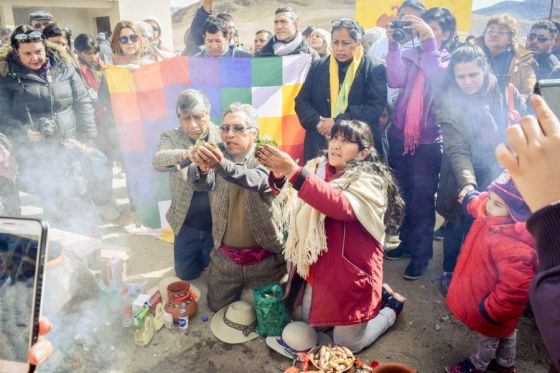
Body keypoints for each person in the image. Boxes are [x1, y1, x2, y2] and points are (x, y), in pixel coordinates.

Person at [256, 119, 406, 353]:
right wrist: (279, 173)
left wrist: (293, 172)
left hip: (352, 274)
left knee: (347, 345)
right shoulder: (318, 167)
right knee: (307, 324)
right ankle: (379, 299)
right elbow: (293, 197)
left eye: (346, 141)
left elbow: (339, 206)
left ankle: (390, 308)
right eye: (335, 137)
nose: (336, 144)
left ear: (363, 153)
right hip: (321, 270)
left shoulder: (370, 181)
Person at [436, 45, 527, 295]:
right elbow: (457, 150)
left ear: (485, 70)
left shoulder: (505, 92)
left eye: (473, 75)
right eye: (461, 76)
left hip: (500, 169)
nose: (467, 82)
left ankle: (483, 271)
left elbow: (525, 121)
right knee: (457, 221)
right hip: (461, 172)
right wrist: (468, 185)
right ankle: (449, 270)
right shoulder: (450, 104)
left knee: (495, 224)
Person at [186, 103, 286, 311]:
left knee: (271, 315)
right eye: (225, 128)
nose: (229, 134)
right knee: (215, 307)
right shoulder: (218, 154)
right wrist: (201, 169)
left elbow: (255, 179)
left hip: (265, 258)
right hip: (225, 258)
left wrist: (219, 165)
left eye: (238, 128)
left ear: (254, 133)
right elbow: (199, 183)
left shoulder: (268, 157)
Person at [383, 7, 456, 280]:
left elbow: (437, 78)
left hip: (427, 142)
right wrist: (393, 43)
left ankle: (422, 254)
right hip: (399, 135)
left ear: (446, 35)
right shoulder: (411, 54)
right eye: (425, 28)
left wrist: (428, 42)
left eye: (434, 30)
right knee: (402, 194)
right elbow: (394, 78)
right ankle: (405, 243)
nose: (427, 33)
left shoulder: (447, 59)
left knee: (423, 199)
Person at [0, 25, 97, 227]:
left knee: (79, 194)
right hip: (36, 153)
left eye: (38, 51)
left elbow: (83, 103)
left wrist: (88, 139)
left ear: (45, 47)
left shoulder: (64, 66)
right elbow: (3, 116)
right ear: (16, 51)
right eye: (27, 53)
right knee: (52, 198)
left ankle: (84, 240)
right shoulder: (5, 76)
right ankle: (60, 241)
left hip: (70, 143)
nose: (35, 58)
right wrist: (23, 130)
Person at [445, 172, 536, 373]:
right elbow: (482, 204)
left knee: (489, 337)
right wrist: (471, 197)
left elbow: (515, 289)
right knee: (508, 331)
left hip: (493, 306)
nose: (487, 206)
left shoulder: (515, 247)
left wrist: (492, 311)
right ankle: (505, 363)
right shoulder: (493, 213)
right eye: (490, 198)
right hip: (495, 303)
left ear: (516, 213)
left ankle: (478, 364)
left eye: (496, 204)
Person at [495, 94, 560, 373]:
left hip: (498, 316)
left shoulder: (520, 247)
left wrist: (550, 210)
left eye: (496, 203)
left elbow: (548, 296)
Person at [295, 18, 387, 162]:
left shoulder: (374, 68)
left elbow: (374, 107)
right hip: (320, 144)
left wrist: (337, 123)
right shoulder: (318, 67)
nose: (339, 48)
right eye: (335, 42)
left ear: (358, 43)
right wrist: (318, 123)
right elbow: (302, 101)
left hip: (357, 148)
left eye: (346, 43)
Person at [152, 89, 220, 280]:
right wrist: (186, 154)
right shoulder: (170, 137)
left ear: (208, 114)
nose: (193, 125)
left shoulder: (222, 134)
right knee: (185, 274)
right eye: (186, 118)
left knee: (217, 274)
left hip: (216, 222)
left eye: (199, 117)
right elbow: (157, 161)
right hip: (186, 222)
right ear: (178, 118)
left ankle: (210, 257)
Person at [74, 33, 120, 221]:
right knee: (92, 166)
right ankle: (97, 203)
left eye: (95, 52)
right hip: (87, 127)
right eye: (88, 53)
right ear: (78, 53)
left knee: (106, 165)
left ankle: (106, 199)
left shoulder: (104, 67)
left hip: (106, 125)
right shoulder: (75, 70)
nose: (92, 56)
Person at [474, 14, 536, 97]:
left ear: (510, 39)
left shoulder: (524, 62)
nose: (494, 34)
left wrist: (510, 104)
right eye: (490, 31)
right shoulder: (470, 56)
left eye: (501, 32)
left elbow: (528, 93)